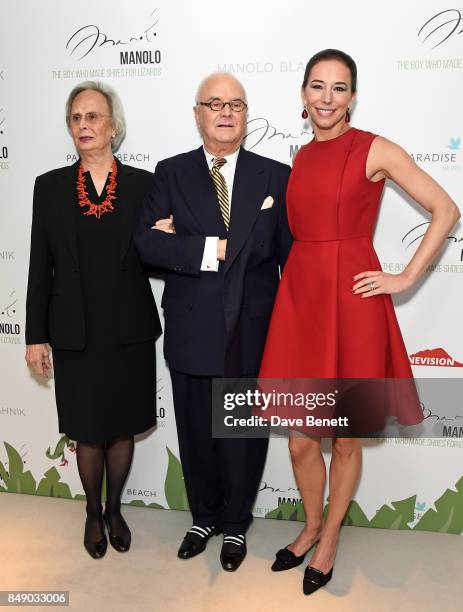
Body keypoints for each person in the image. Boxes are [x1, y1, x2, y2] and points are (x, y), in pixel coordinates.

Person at [259, 49, 460, 595]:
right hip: (303, 302)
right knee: (303, 440)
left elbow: (446, 209)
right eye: (318, 87)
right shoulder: (298, 157)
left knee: (344, 438)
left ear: (352, 96)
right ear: (303, 95)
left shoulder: (373, 149)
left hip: (352, 303)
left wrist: (405, 277)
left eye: (339, 88)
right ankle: (310, 525)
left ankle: (328, 541)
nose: (327, 98)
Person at [134, 72, 292, 571]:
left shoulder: (276, 176)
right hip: (191, 325)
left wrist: (180, 241)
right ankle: (202, 516)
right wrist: (211, 247)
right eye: (215, 103)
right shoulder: (171, 172)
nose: (226, 112)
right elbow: (147, 244)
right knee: (198, 432)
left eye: (237, 104)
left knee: (242, 435)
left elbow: (288, 259)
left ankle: (235, 525)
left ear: (247, 114)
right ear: (198, 113)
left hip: (254, 328)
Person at [25, 81, 161, 560]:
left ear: (113, 126)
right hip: (74, 330)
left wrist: (168, 237)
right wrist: (35, 336)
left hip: (129, 328)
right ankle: (91, 511)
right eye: (76, 118)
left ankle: (116, 508)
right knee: (87, 429)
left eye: (93, 117)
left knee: (121, 427)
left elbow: (160, 258)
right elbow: (40, 265)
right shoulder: (50, 187)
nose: (84, 126)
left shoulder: (146, 185)